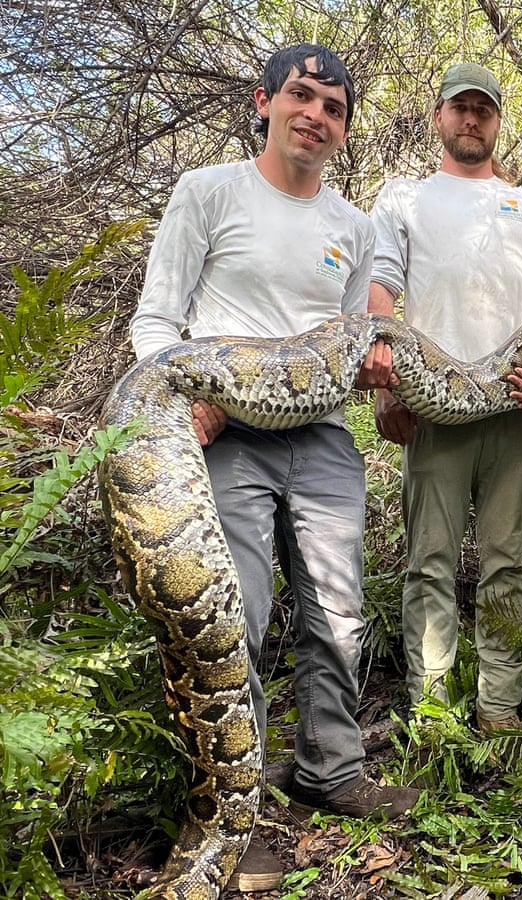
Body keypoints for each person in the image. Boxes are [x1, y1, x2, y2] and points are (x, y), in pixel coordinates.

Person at [130, 44, 418, 893]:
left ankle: (328, 772)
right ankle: (235, 806)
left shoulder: (353, 227)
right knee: (238, 616)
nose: (316, 116)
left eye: (333, 107)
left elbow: (351, 339)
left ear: (342, 127)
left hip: (323, 439)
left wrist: (374, 368)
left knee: (339, 611)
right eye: (302, 97)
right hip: (229, 438)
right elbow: (157, 318)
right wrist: (186, 397)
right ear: (264, 101)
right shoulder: (209, 191)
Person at [369, 63, 522, 737]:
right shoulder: (403, 198)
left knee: (507, 560)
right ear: (439, 116)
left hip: (518, 405)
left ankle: (499, 708)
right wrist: (387, 384)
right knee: (430, 562)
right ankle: (431, 713)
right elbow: (380, 292)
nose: (472, 119)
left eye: (484, 108)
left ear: (498, 121)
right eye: (461, 107)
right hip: (434, 410)